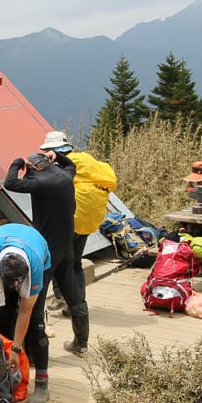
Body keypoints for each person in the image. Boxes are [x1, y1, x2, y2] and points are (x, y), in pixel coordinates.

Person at [3, 147, 86, 382]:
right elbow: (71, 165)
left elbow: (10, 183)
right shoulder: (64, 175)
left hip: (47, 250)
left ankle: (35, 352)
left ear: (32, 169)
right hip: (67, 244)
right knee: (73, 293)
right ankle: (81, 342)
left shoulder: (39, 183)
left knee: (35, 301)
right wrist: (56, 155)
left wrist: (17, 161)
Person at [40, 131, 117, 342]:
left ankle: (61, 300)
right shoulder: (87, 162)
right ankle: (76, 301)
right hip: (89, 220)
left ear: (52, 150)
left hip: (70, 221)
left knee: (55, 262)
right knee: (75, 262)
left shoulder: (61, 165)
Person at [0, 223, 51, 403]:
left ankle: (41, 383)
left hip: (37, 249)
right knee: (2, 321)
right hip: (3, 246)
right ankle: (2, 378)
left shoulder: (36, 266)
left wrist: (16, 348)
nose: (15, 289)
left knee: (36, 324)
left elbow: (25, 311)